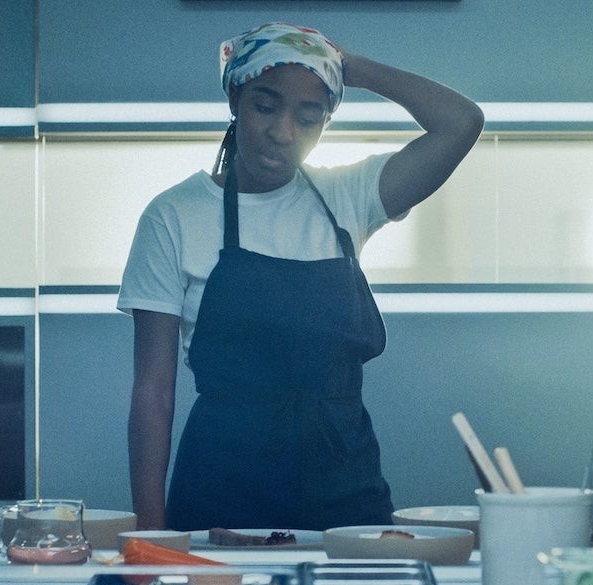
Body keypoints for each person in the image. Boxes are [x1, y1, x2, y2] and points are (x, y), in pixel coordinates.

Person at [118, 21, 483, 531]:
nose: (283, 132)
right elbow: (153, 392)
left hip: (345, 488)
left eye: (308, 117)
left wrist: (349, 67)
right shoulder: (174, 215)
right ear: (235, 100)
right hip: (221, 489)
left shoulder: (349, 196)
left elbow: (461, 122)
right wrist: (150, 534)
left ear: (326, 123)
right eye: (265, 106)